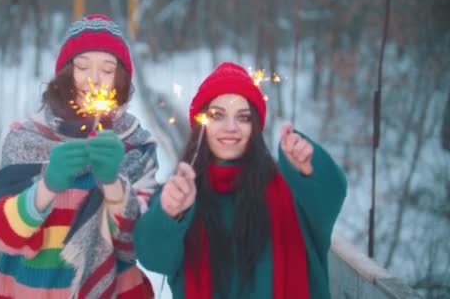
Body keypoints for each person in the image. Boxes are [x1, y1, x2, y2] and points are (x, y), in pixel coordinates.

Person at [0, 14, 158, 298]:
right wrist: (46, 188)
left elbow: (138, 244)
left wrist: (113, 184)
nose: (94, 79)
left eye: (108, 69)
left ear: (121, 80)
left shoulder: (137, 144)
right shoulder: (24, 138)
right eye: (82, 66)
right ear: (66, 74)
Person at [134, 62, 347, 298]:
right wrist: (169, 213)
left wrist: (308, 168)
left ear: (255, 126)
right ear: (201, 125)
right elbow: (152, 258)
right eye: (218, 115)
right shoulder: (180, 195)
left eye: (243, 117)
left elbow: (331, 195)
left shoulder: (290, 191)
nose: (231, 127)